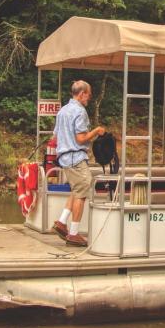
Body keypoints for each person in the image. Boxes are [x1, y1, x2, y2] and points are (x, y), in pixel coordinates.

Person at [52, 80, 106, 247]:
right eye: (88, 95)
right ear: (82, 94)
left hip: (64, 158)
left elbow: (54, 136)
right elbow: (81, 138)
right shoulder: (79, 111)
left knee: (77, 189)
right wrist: (97, 131)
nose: (89, 98)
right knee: (83, 190)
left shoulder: (62, 111)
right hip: (75, 157)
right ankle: (74, 234)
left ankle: (61, 222)